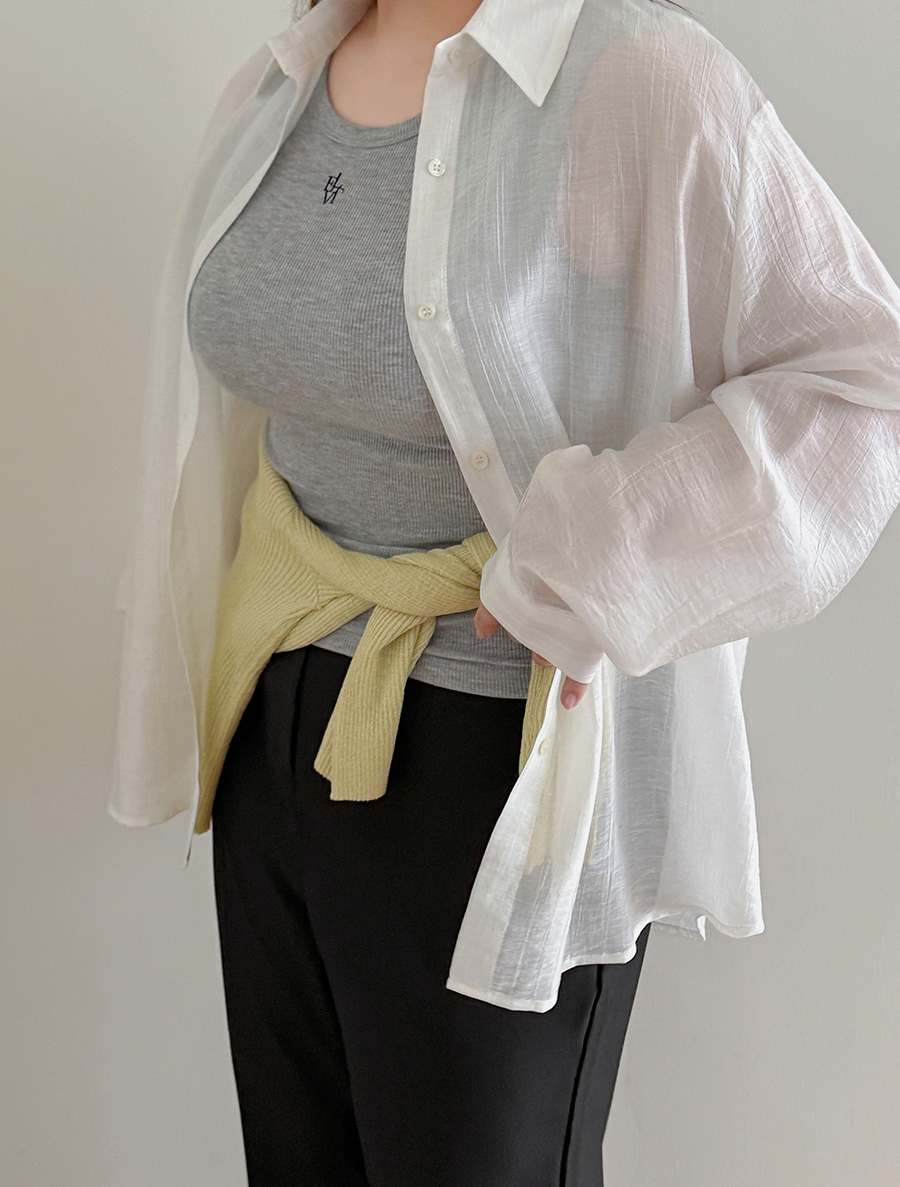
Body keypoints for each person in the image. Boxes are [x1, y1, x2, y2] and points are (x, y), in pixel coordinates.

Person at [107, 0, 900, 1183]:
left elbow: (862, 380)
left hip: (497, 759)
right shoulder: (281, 79)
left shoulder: (635, 75)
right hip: (275, 724)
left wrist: (599, 548)